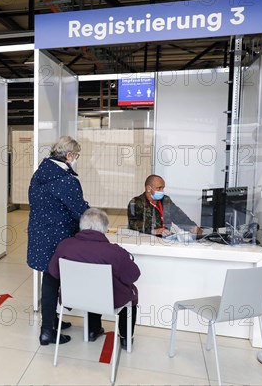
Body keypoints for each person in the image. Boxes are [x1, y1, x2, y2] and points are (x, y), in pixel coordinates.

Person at [27, 136, 90, 346]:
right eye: (77, 156)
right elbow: (80, 211)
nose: (77, 160)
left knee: (49, 279)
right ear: (69, 155)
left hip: (39, 235)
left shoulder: (40, 174)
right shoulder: (67, 180)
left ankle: (51, 320)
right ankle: (47, 331)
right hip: (58, 239)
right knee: (53, 281)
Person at [49, 208, 140, 347]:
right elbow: (133, 275)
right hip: (108, 300)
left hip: (74, 297)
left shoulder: (64, 246)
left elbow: (54, 272)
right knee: (131, 293)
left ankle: (92, 330)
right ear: (104, 228)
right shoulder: (114, 251)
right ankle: (125, 337)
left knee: (89, 288)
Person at [128, 174, 202, 236]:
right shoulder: (136, 202)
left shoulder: (166, 200)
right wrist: (154, 231)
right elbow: (133, 224)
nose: (162, 191)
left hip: (165, 238)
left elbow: (179, 217)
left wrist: (192, 227)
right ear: (148, 189)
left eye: (163, 188)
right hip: (146, 239)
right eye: (159, 188)